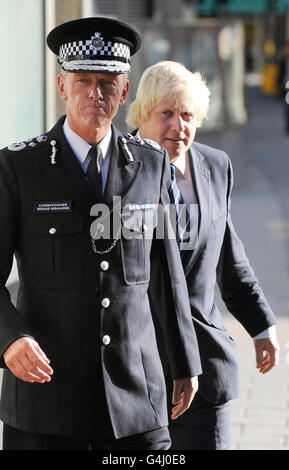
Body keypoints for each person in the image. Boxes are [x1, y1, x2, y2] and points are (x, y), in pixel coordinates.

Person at [0, 22, 202, 450]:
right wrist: (9, 339)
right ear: (61, 85)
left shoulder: (152, 165)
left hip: (135, 402)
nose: (95, 93)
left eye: (107, 83)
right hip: (47, 401)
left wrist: (185, 360)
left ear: (124, 92)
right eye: (83, 82)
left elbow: (166, 274)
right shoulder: (18, 169)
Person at [126, 60, 280, 450]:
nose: (179, 126)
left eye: (188, 115)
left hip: (205, 367)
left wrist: (261, 325)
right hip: (136, 373)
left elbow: (228, 255)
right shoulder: (114, 169)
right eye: (167, 114)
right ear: (142, 113)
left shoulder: (215, 165)